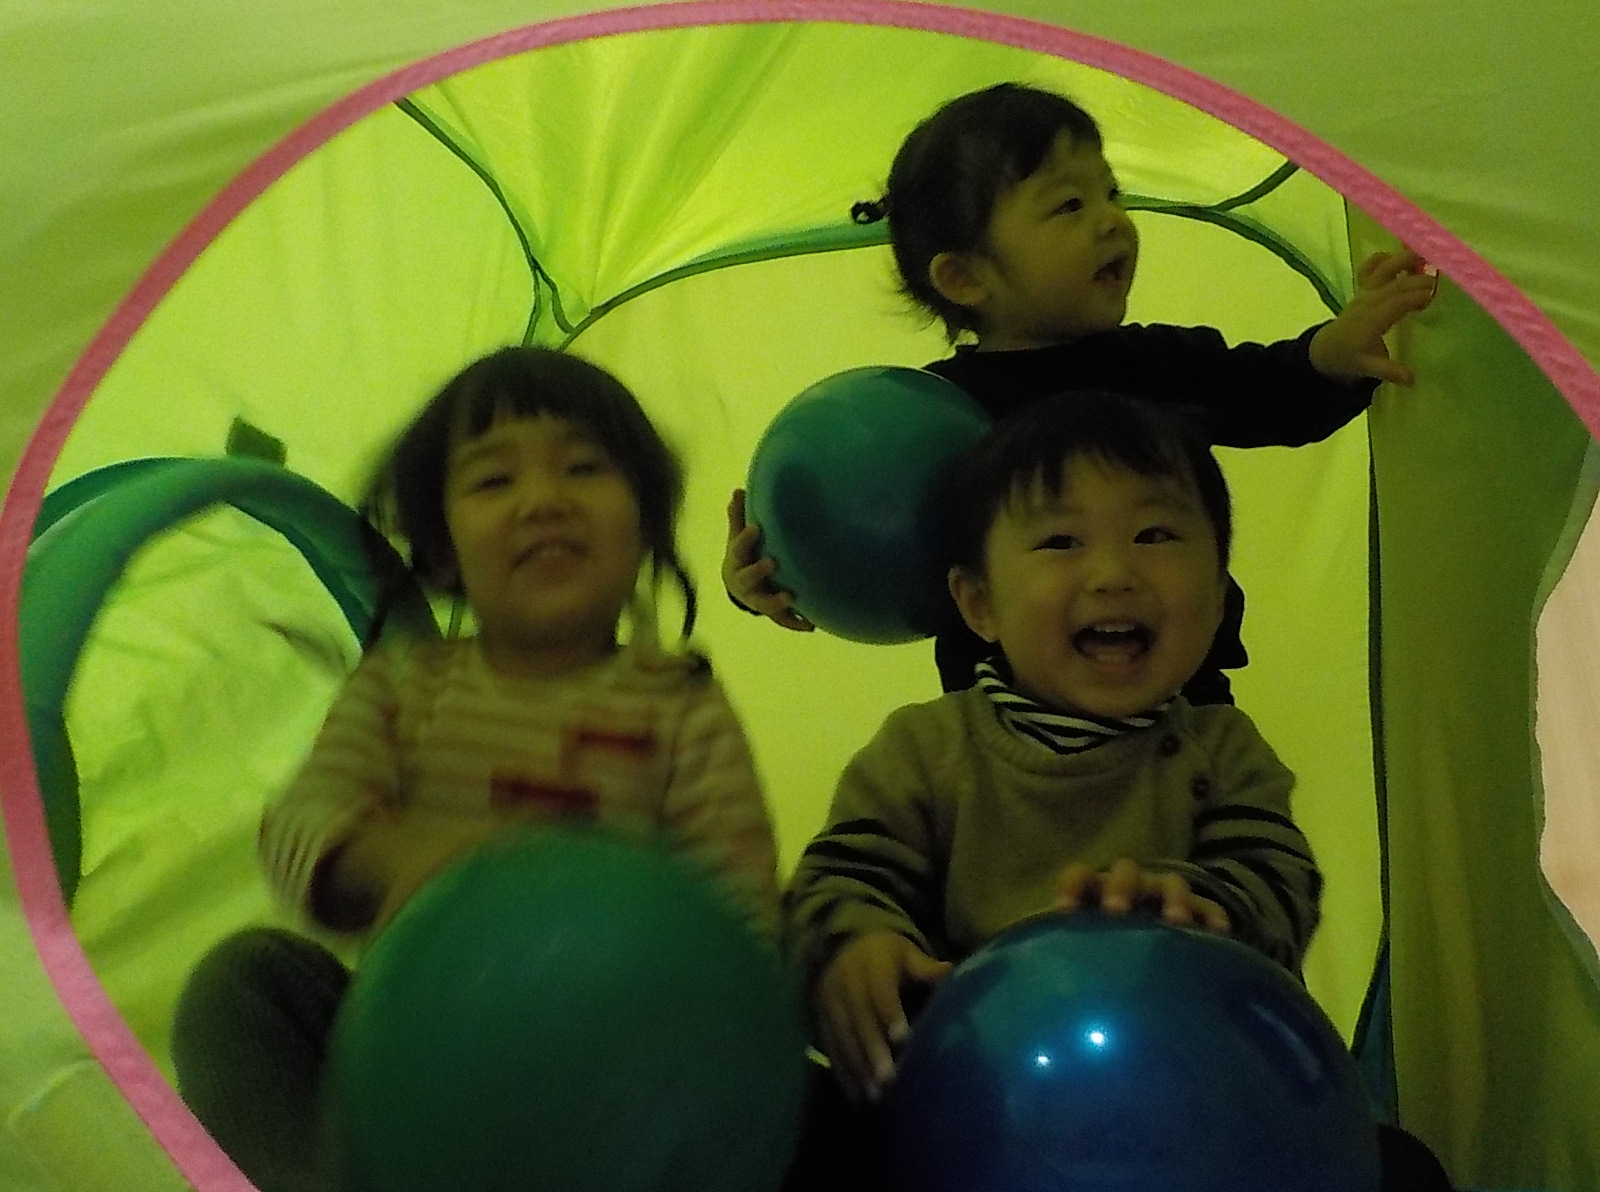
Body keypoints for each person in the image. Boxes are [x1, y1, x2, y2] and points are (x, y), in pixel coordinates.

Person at [780, 391, 1454, 1191]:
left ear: (1219, 593)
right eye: (1060, 541)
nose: (1113, 574)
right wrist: (858, 947)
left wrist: (1202, 905)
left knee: (1403, 1169)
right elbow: (841, 877)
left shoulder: (1222, 752)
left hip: (1199, 1111)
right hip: (972, 1111)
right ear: (979, 604)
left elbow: (1278, 886)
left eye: (1155, 535)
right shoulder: (926, 749)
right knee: (797, 1120)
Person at [170, 347, 781, 1192]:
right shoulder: (404, 687)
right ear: (443, 549)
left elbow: (741, 913)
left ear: (643, 524)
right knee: (242, 985)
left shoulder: (679, 707)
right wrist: (397, 858)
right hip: (409, 1063)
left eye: (585, 468)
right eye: (494, 481)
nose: (545, 499)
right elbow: (301, 820)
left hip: (613, 1079)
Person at [724, 81, 1436, 700]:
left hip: (1181, 710)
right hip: (1003, 732)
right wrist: (761, 581)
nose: (1111, 218)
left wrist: (1335, 353)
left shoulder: (1153, 364)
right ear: (966, 277)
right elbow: (854, 547)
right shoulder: (930, 424)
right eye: (1068, 205)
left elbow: (1269, 390)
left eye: (1111, 193)